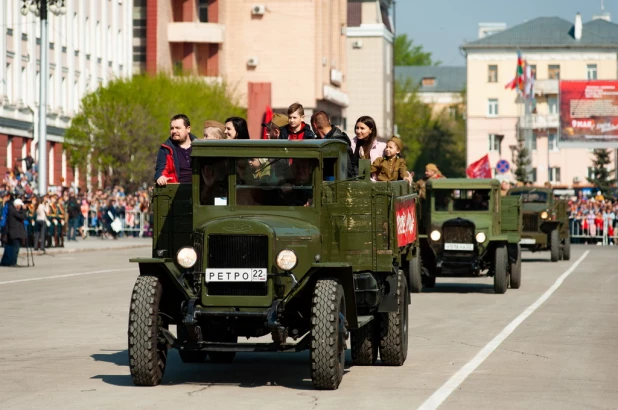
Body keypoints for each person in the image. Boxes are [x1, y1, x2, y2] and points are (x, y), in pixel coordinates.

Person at [155, 114, 196, 186]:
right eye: (172, 128)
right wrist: (160, 177)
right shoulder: (165, 149)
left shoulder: (199, 147)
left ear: (188, 129)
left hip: (199, 189)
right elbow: (160, 169)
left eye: (177, 128)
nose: (174, 131)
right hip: (175, 191)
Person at [310, 111, 354, 178]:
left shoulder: (338, 143)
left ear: (314, 126)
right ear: (329, 121)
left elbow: (347, 172)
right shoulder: (325, 141)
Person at [0, 199, 26, 267]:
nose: (21, 207)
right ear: (17, 205)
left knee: (14, 248)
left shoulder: (12, 210)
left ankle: (11, 261)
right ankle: (13, 262)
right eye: (20, 206)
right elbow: (22, 217)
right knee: (15, 249)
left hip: (14, 232)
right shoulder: (13, 211)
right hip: (15, 233)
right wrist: (24, 210)